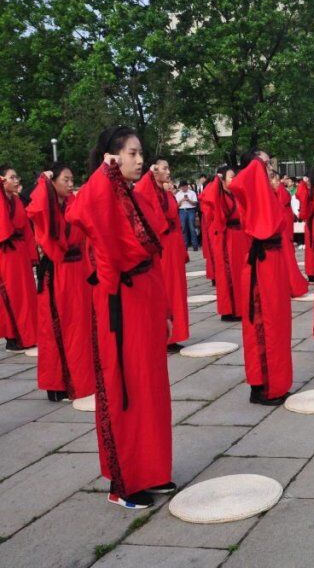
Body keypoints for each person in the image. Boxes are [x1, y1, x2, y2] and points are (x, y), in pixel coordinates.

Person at [66, 125, 174, 509]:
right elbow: (79, 211)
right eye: (132, 153)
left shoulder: (129, 193)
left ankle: (152, 470)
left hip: (145, 299)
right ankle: (124, 481)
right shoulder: (102, 191)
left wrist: (164, 310)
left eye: (140, 152)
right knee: (125, 388)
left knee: (150, 388)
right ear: (112, 157)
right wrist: (104, 171)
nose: (140, 160)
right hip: (121, 305)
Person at [228, 150, 294, 405]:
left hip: (272, 262)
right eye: (264, 164)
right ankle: (264, 386)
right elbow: (237, 183)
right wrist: (256, 165)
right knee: (263, 324)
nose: (268, 169)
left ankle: (276, 382)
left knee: (278, 324)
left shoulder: (264, 193)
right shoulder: (249, 188)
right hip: (262, 264)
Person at [27, 165, 94, 402]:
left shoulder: (73, 203)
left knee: (80, 326)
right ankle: (59, 383)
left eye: (72, 179)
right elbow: (36, 208)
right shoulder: (47, 208)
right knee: (56, 328)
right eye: (65, 179)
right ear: (53, 183)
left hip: (78, 272)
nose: (70, 184)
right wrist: (42, 182)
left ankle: (82, 379)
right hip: (57, 272)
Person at [135, 160, 190, 352]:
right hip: (162, 245)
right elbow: (141, 189)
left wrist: (183, 249)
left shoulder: (166, 193)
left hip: (174, 245)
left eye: (168, 167)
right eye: (164, 168)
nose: (168, 171)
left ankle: (176, 333)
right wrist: (149, 173)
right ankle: (165, 336)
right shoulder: (149, 192)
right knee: (165, 289)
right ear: (154, 171)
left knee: (177, 290)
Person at [0, 165, 37, 354]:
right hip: (5, 254)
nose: (16, 181)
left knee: (27, 295)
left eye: (17, 177)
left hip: (21, 253)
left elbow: (28, 230)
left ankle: (28, 335)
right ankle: (14, 337)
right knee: (12, 295)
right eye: (12, 177)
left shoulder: (17, 200)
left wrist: (32, 255)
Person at [200, 166, 242, 322]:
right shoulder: (218, 195)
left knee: (238, 273)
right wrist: (216, 180)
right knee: (227, 274)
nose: (234, 179)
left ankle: (240, 307)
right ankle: (229, 310)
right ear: (222, 180)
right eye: (231, 177)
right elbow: (208, 200)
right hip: (226, 237)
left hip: (238, 237)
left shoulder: (234, 194)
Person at [270, 170, 309, 299]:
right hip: (279, 228)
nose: (278, 182)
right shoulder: (276, 191)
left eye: (277, 179)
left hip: (283, 227)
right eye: (275, 179)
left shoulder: (280, 191)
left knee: (287, 257)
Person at [174, 180, 199, 251]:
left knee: (192, 228)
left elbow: (195, 203)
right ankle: (185, 246)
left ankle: (195, 245)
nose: (183, 188)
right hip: (182, 211)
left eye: (185, 187)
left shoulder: (192, 193)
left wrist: (188, 200)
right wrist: (182, 200)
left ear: (187, 186)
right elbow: (176, 205)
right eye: (182, 187)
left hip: (191, 210)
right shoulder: (178, 194)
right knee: (183, 228)